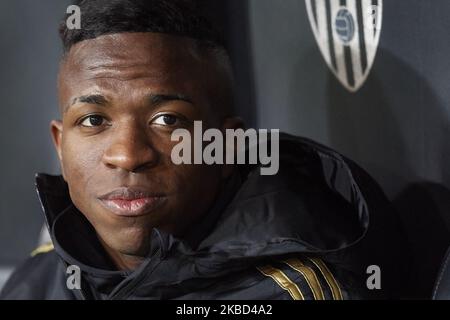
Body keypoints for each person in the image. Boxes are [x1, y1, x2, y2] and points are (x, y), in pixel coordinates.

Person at [0, 0, 407, 300]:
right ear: (60, 145)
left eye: (168, 120)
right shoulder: (50, 262)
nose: (127, 155)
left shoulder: (292, 293)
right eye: (93, 121)